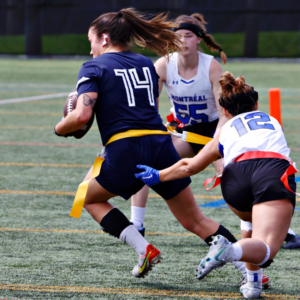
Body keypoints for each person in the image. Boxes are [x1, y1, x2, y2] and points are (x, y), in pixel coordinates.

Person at [53, 8, 243, 279]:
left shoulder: (93, 66)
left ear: (104, 39)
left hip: (126, 147)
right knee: (194, 220)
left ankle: (143, 248)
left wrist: (60, 128)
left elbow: (82, 115)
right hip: (161, 143)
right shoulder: (144, 62)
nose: (91, 49)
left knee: (88, 198)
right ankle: (249, 268)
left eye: (91, 41)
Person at [135, 71, 297, 298]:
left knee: (249, 219)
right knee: (266, 250)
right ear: (257, 104)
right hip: (270, 171)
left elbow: (189, 166)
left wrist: (159, 175)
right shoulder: (272, 121)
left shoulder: (223, 131)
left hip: (234, 180)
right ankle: (228, 250)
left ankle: (253, 284)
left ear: (225, 111)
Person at [130, 13, 227, 236]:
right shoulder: (164, 64)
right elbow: (149, 106)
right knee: (146, 163)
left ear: (199, 39)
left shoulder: (211, 67)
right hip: (184, 131)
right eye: (179, 36)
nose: (183, 40)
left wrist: (218, 140)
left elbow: (224, 113)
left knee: (232, 175)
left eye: (189, 35)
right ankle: (137, 224)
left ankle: (275, 229)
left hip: (213, 129)